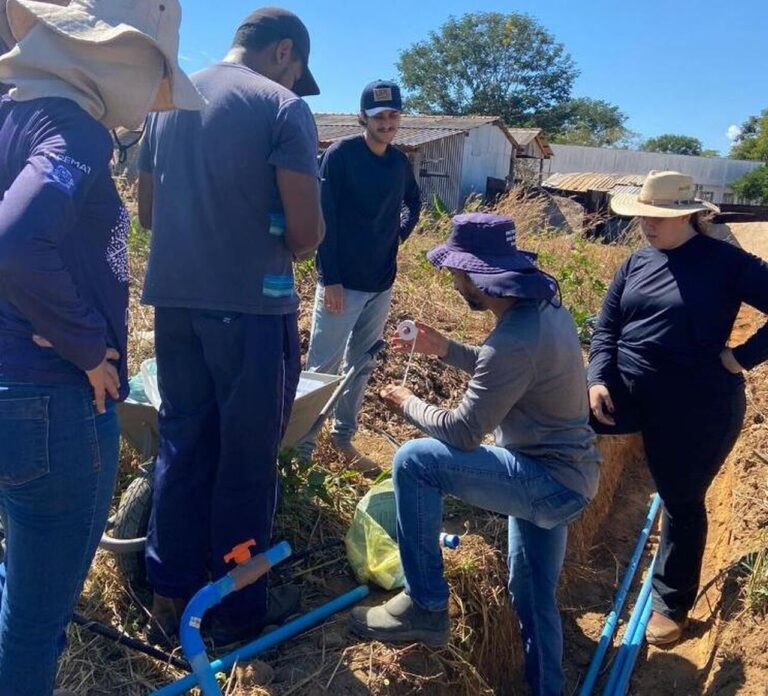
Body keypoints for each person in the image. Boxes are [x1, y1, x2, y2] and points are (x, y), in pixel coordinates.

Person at [0, 0, 201, 694]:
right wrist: (85, 344)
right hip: (54, 402)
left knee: (16, 584)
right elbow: (17, 241)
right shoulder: (75, 132)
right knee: (37, 621)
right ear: (116, 57)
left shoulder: (9, 117)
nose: (151, 100)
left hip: (11, 388)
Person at [348, 213, 600, 696]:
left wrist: (409, 404)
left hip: (544, 482)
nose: (454, 280)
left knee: (415, 461)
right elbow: (503, 367)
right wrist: (444, 348)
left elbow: (464, 432)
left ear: (478, 277)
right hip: (568, 476)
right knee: (531, 596)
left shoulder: (513, 340)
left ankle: (425, 604)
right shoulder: (544, 312)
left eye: (457, 273)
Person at [138, 7, 324, 647]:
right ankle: (239, 613)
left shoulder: (167, 101)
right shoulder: (282, 109)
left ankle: (169, 591)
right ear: (284, 54)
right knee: (245, 461)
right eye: (297, 70)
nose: (296, 81)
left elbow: (147, 213)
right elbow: (304, 236)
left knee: (182, 443)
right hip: (249, 311)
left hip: (175, 306)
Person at [587, 170, 768, 645]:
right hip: (626, 390)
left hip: (697, 405)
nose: (647, 225)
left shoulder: (726, 263)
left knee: (680, 499)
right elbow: (606, 329)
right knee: (565, 432)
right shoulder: (635, 263)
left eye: (658, 217)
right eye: (643, 215)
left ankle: (671, 601)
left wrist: (742, 357)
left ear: (688, 215)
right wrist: (596, 379)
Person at [299, 80, 421, 472]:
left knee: (361, 364)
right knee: (323, 366)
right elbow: (324, 217)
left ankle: (342, 437)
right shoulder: (341, 155)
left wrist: (397, 234)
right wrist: (329, 278)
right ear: (362, 118)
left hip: (380, 283)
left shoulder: (399, 162)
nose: (387, 123)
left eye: (393, 116)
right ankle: (302, 447)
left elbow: (413, 204)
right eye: (379, 117)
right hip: (342, 283)